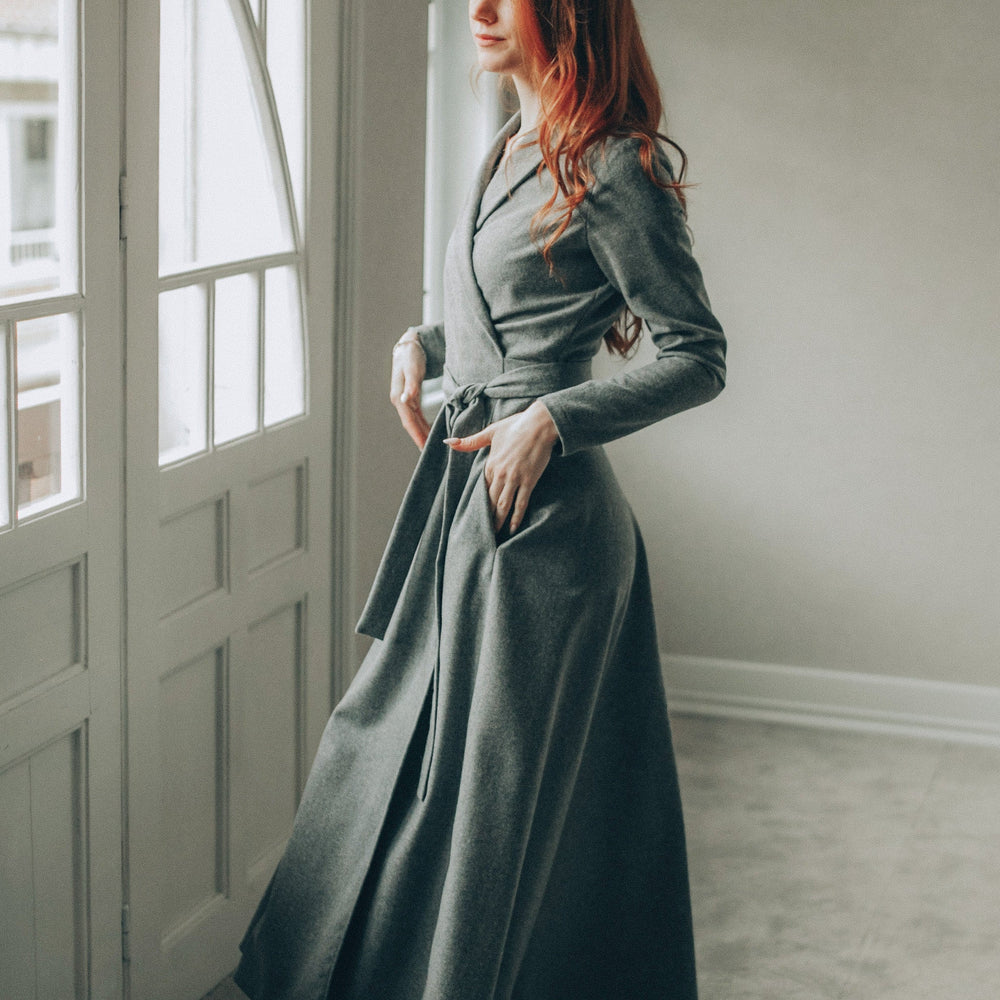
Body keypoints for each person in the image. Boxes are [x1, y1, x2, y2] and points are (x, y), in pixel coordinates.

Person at [234, 0, 726, 997]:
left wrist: (552, 420)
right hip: (464, 505)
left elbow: (698, 356)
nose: (478, 7)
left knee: (498, 815)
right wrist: (427, 346)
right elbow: (508, 315)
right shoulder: (510, 141)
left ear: (570, 14)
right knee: (392, 757)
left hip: (550, 534)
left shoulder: (613, 165)